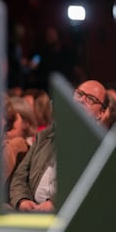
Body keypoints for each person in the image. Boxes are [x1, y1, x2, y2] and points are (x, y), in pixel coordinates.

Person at [9, 79, 108, 212]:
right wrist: (23, 201)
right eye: (79, 94)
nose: (81, 100)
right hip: (31, 211)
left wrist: (54, 203)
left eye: (90, 99)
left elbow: (84, 185)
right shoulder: (44, 135)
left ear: (101, 113)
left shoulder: (100, 146)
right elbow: (20, 176)